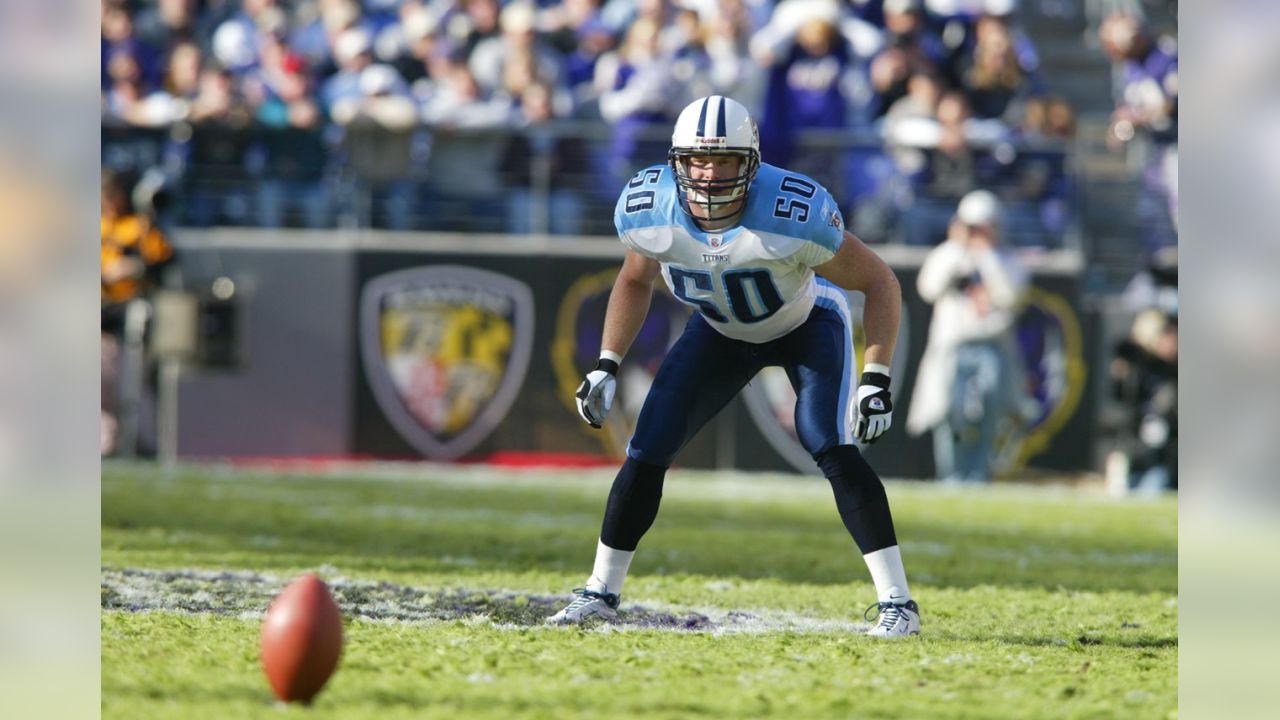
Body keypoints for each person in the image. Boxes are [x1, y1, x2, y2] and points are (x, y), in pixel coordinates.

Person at [547, 95, 920, 637]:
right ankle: (600, 591)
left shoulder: (791, 212)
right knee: (647, 448)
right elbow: (633, 279)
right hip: (719, 331)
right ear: (676, 161)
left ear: (751, 162)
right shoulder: (651, 208)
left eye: (724, 161)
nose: (708, 174)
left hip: (805, 323)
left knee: (829, 444)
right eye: (698, 160)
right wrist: (607, 362)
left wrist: (876, 378)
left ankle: (899, 604)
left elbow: (879, 280)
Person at [905, 189, 1028, 483]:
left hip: (992, 346)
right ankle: (952, 475)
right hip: (952, 345)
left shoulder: (1007, 259)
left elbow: (1012, 297)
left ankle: (979, 475)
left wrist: (985, 256)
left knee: (989, 413)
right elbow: (929, 288)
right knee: (950, 413)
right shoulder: (948, 254)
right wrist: (958, 249)